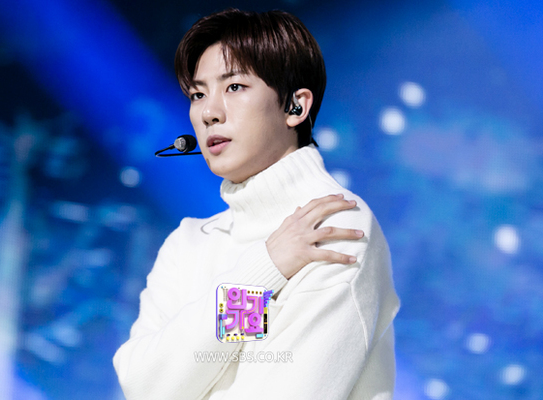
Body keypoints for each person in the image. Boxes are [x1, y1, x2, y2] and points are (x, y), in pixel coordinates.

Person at [113, 8, 399, 399]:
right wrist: (262, 274)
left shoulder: (334, 226)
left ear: (295, 107)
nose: (209, 112)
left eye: (234, 87)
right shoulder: (189, 242)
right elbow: (145, 388)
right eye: (198, 94)